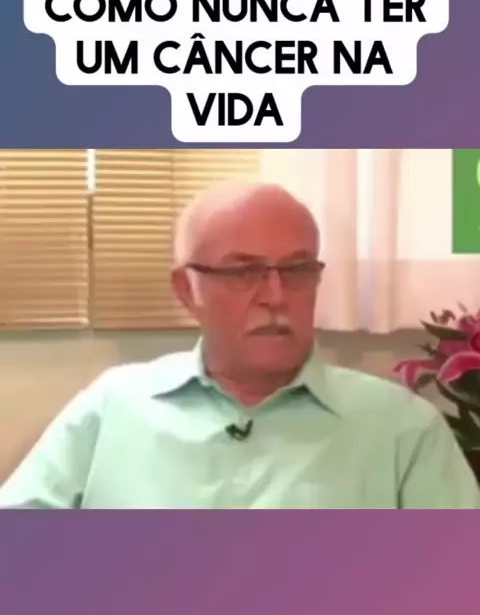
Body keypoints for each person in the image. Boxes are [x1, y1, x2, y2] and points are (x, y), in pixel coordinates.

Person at [0, 181, 478, 509]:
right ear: (187, 291)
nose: (275, 295)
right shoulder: (113, 406)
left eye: (297, 269)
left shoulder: (403, 429)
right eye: (244, 271)